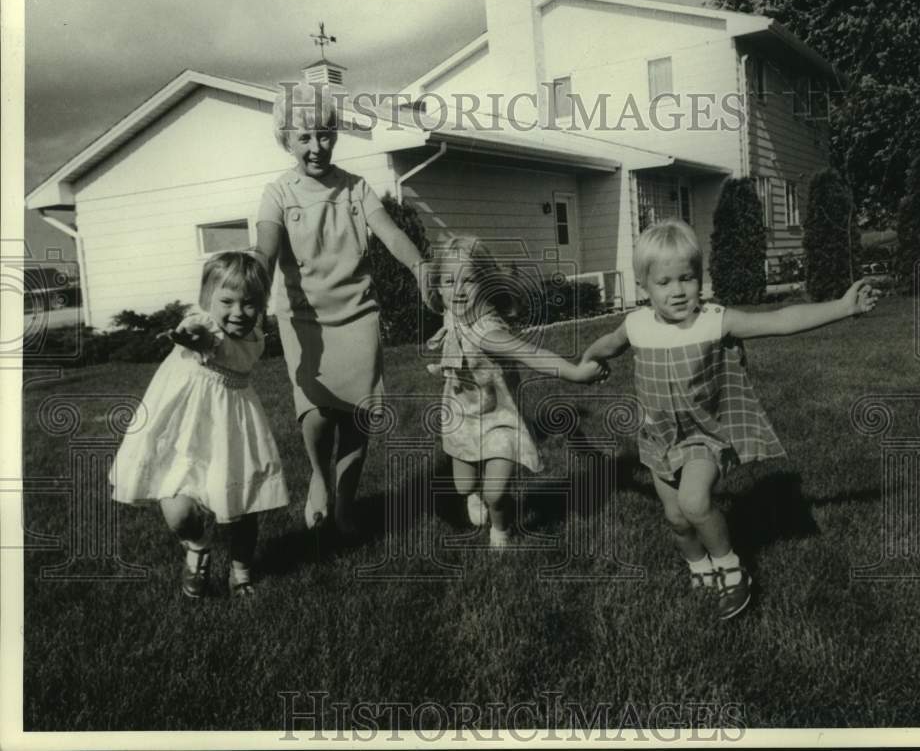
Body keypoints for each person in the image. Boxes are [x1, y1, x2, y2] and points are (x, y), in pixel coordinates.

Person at [581, 219, 879, 619]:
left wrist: (843, 307)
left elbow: (780, 320)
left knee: (694, 500)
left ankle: (731, 568)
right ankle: (698, 566)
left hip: (705, 433)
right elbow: (610, 344)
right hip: (658, 437)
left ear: (700, 277)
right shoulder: (635, 324)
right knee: (675, 518)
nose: (678, 290)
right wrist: (589, 358)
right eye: (665, 282)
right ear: (643, 288)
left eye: (687, 278)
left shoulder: (714, 320)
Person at [252, 81, 427, 535]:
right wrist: (250, 286)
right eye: (304, 137)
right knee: (315, 411)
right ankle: (320, 477)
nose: (316, 146)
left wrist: (420, 268)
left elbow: (390, 234)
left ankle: (346, 502)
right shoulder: (278, 193)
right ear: (286, 140)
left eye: (325, 134)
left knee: (357, 414)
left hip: (358, 314)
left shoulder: (356, 189)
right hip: (304, 319)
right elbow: (265, 251)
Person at [111, 252, 287, 598]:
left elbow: (227, 345)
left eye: (250, 304)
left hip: (231, 426)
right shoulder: (202, 324)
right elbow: (199, 332)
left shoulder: (254, 340)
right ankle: (197, 545)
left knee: (241, 503)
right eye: (226, 301)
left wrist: (202, 339)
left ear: (263, 305)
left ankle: (241, 571)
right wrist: (189, 335)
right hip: (183, 428)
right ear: (207, 300)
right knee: (176, 508)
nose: (238, 312)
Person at [426, 236, 607, 547]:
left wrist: (576, 372)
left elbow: (533, 355)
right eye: (448, 280)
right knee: (463, 485)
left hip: (500, 419)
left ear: (487, 286)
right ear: (439, 288)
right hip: (461, 416)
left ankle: (501, 529)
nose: (457, 289)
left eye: (468, 280)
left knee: (495, 492)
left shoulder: (489, 333)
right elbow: (418, 267)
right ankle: (473, 496)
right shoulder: (452, 311)